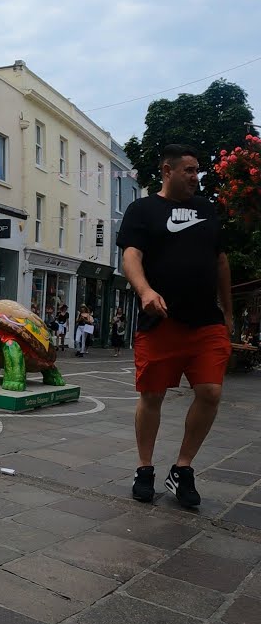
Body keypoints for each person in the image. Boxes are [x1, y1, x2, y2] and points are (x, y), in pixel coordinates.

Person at [117, 144, 232, 508]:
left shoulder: (208, 210)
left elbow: (221, 261)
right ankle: (144, 468)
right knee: (152, 396)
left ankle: (182, 468)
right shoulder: (143, 209)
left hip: (205, 322)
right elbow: (131, 256)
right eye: (189, 170)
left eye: (197, 170)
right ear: (167, 170)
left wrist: (227, 312)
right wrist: (145, 290)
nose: (196, 177)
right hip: (160, 319)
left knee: (211, 393)